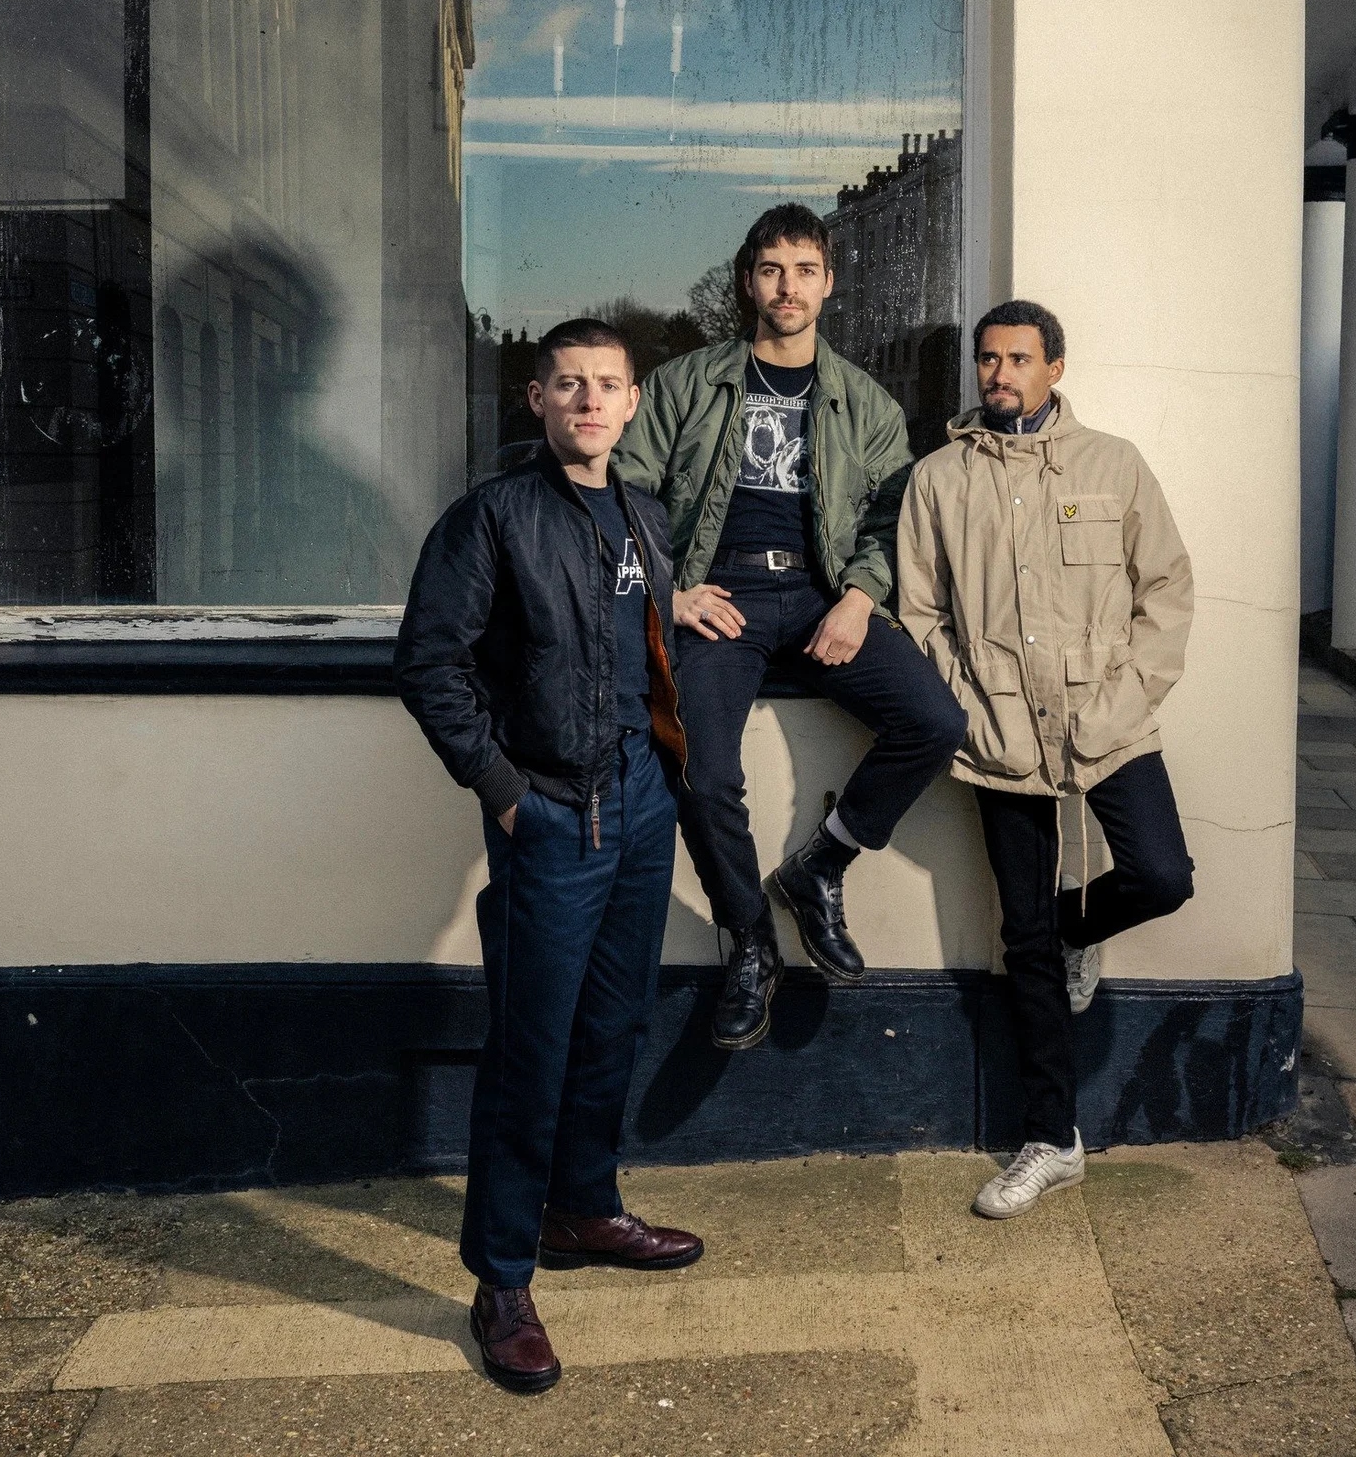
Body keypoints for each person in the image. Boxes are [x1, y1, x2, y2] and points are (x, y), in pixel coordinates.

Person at [395, 319, 703, 1396]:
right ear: (537, 399)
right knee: (532, 1046)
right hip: (553, 813)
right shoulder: (491, 516)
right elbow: (429, 664)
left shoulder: (645, 515)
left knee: (614, 1022)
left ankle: (583, 1207)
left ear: (632, 403)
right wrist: (504, 792)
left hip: (640, 804)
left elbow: (641, 648)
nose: (589, 400)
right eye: (569, 384)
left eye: (607, 385)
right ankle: (503, 1279)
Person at [612, 204, 967, 1049]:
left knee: (936, 722)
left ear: (829, 283)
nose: (788, 287)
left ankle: (820, 867)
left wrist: (860, 597)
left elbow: (892, 519)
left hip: (819, 595)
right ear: (749, 281)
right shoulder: (687, 383)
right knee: (700, 770)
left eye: (805, 270)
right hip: (719, 597)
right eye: (772, 270)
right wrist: (670, 592)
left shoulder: (866, 403)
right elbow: (626, 492)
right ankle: (751, 941)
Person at [897, 299, 1195, 1218]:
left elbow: (1166, 591)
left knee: (1161, 874)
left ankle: (1078, 925)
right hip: (999, 736)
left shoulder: (1114, 464)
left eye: (1019, 359)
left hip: (1108, 722)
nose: (1000, 374)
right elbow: (920, 614)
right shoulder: (939, 478)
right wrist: (969, 711)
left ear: (1054, 368)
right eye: (988, 359)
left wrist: (1123, 702)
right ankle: (1051, 1139)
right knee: (1022, 937)